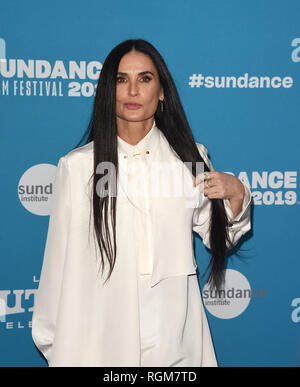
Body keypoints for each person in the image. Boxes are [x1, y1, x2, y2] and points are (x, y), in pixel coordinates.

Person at [31, 39, 252, 367]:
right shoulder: (78, 167)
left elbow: (220, 236)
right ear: (109, 91)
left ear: (162, 91)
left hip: (173, 338)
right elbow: (57, 263)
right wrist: (56, 344)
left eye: (145, 79)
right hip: (99, 339)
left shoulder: (190, 159)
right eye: (121, 80)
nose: (133, 90)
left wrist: (237, 194)